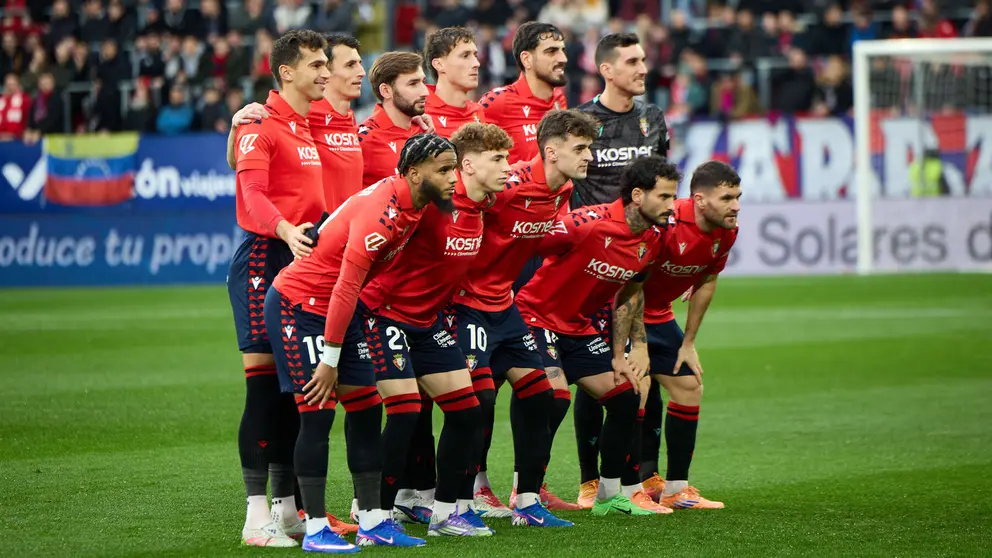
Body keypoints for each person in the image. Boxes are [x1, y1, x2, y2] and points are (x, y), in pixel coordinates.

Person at [263, 134, 459, 551]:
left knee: (368, 409)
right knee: (316, 413)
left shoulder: (415, 206)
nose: (452, 177)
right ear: (413, 172)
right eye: (444, 169)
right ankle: (315, 529)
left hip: (338, 310)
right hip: (301, 305)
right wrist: (330, 359)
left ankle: (373, 520)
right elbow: (345, 287)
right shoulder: (384, 214)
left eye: (453, 168)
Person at [360, 123, 554, 536]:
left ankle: (446, 514)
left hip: (428, 321)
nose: (508, 168)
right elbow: (371, 238)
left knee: (467, 410)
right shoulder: (431, 204)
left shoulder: (486, 205)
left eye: (507, 159)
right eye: (498, 160)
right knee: (404, 412)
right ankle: (373, 512)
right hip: (386, 313)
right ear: (468, 165)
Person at [514, 155, 681, 516]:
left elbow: (630, 294)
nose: (672, 205)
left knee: (627, 396)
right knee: (554, 398)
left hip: (579, 327)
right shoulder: (586, 223)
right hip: (536, 318)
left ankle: (608, 494)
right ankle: (525, 495)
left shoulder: (652, 239)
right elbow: (526, 246)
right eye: (665, 197)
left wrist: (623, 352)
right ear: (638, 195)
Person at [450, 109, 597, 516]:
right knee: (476, 400)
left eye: (589, 148)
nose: (589, 156)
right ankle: (465, 496)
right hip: (466, 304)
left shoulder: (563, 191)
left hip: (505, 304)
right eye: (580, 148)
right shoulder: (509, 186)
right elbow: (459, 205)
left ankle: (527, 499)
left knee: (544, 395)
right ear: (551, 151)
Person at [227, 29, 329, 548]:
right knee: (264, 390)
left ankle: (288, 510)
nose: (326, 73)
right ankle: (254, 516)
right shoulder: (261, 124)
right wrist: (285, 229)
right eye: (315, 64)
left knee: (296, 392)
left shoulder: (305, 125)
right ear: (286, 71)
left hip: (303, 263)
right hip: (265, 260)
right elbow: (251, 191)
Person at [566, 32, 672, 507]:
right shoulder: (584, 121)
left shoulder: (653, 118)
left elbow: (660, 187)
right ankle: (593, 481)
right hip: (592, 266)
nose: (642, 68)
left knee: (642, 373)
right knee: (598, 378)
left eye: (644, 59)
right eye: (632, 61)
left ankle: (644, 477)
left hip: (638, 262)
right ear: (606, 70)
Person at [637, 160, 740, 510]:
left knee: (689, 386)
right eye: (727, 198)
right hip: (619, 313)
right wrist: (634, 344)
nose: (736, 206)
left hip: (660, 315)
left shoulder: (727, 230)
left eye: (738, 197)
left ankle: (676, 488)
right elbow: (628, 279)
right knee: (632, 389)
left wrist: (688, 342)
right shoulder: (665, 223)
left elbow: (708, 281)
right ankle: (621, 487)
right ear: (699, 200)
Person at [479, 22, 568, 164]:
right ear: (527, 59)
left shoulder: (559, 99)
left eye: (563, 50)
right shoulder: (497, 101)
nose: (563, 58)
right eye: (551, 51)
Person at [358, 51, 431, 186]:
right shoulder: (365, 139)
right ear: (386, 91)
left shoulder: (424, 131)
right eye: (413, 84)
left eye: (423, 82)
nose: (425, 92)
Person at [423, 26, 487, 138]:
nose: (476, 63)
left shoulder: (478, 112)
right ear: (439, 65)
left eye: (475, 55)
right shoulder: (419, 112)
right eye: (465, 55)